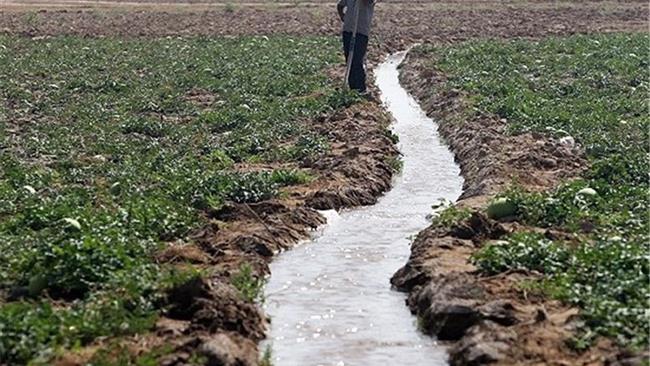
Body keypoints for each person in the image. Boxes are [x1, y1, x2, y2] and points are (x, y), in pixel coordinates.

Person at [337, 0, 375, 94]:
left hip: (361, 32)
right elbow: (340, 5)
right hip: (348, 30)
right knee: (349, 59)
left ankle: (360, 89)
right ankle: (352, 87)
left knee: (357, 60)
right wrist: (343, 16)